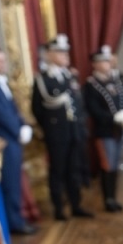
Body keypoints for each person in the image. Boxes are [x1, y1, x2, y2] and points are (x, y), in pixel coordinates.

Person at [31, 34, 91, 220]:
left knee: (74, 169)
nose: (65, 55)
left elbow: (78, 103)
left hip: (74, 131)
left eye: (66, 52)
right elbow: (38, 109)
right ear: (49, 54)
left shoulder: (70, 75)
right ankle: (58, 208)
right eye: (59, 52)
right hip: (57, 133)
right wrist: (50, 128)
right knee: (58, 170)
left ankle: (76, 204)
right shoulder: (43, 79)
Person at [0, 47, 35, 235]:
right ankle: (14, 223)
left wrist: (23, 124)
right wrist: (17, 130)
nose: (2, 64)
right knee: (9, 183)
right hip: (3, 139)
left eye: (3, 60)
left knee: (15, 181)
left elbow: (13, 109)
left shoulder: (1, 82)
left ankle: (16, 219)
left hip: (12, 137)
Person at [82, 45, 123, 212]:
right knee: (108, 165)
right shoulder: (91, 85)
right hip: (105, 132)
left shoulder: (119, 81)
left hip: (120, 130)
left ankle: (114, 197)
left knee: (116, 165)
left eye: (108, 61)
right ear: (95, 64)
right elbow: (92, 108)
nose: (107, 64)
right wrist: (113, 118)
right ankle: (108, 199)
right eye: (103, 61)